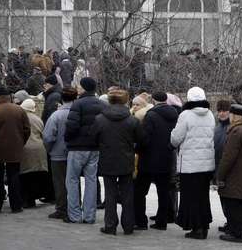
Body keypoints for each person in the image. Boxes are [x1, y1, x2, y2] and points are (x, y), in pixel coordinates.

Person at [90, 88, 145, 235]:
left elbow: (93, 138)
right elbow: (141, 140)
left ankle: (110, 225)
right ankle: (128, 225)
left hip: (107, 160)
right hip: (126, 160)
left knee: (110, 194)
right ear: (126, 101)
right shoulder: (132, 120)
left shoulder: (99, 119)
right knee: (127, 194)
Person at [171, 86, 215, 240]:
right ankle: (204, 225)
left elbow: (175, 139)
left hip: (190, 166)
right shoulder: (210, 114)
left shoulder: (185, 115)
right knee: (203, 197)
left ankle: (196, 228)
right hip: (207, 164)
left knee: (190, 197)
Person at [64, 77, 105, 224]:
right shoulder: (102, 104)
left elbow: (71, 126)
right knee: (91, 180)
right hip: (94, 148)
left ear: (83, 88)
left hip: (77, 148)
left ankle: (74, 215)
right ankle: (89, 216)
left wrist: (68, 139)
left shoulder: (78, 104)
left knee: (72, 180)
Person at [134, 91, 178, 230]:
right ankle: (162, 222)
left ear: (153, 100)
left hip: (148, 159)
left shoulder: (151, 115)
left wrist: (138, 148)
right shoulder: (175, 114)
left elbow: (145, 138)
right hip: (166, 157)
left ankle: (140, 221)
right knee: (163, 192)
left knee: (140, 192)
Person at [216, 104, 242, 243]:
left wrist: (220, 174)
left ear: (233, 115)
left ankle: (236, 233)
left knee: (233, 203)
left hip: (235, 174)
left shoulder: (236, 131)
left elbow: (228, 157)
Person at [42, 86, 77, 220]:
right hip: (75, 153)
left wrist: (49, 150)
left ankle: (62, 208)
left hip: (58, 154)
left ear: (62, 99)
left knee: (60, 183)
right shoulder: (78, 113)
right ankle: (75, 207)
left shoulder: (56, 115)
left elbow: (48, 137)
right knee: (74, 182)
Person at [19, 99, 49, 209]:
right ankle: (32, 199)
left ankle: (25, 200)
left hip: (25, 148)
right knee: (35, 175)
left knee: (25, 175)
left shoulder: (21, 118)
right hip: (39, 148)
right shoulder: (38, 119)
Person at [213, 100, 231, 172]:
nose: (221, 113)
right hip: (216, 166)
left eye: (224, 111)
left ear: (229, 111)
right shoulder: (217, 128)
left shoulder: (233, 127)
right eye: (219, 111)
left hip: (228, 167)